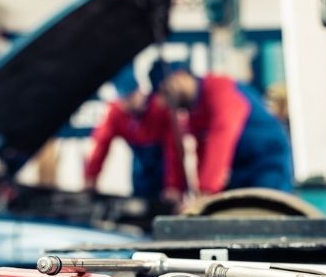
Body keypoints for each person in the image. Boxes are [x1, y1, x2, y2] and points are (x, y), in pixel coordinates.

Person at [155, 62, 293, 195]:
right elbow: (201, 151)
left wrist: (206, 191)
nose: (165, 102)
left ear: (180, 78)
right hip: (240, 168)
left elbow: (222, 132)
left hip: (267, 161)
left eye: (166, 92)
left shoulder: (219, 88)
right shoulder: (193, 111)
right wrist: (176, 188)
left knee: (265, 209)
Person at [84, 65, 184, 200]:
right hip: (140, 167)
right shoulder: (117, 113)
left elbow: (174, 149)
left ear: (139, 90)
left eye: (133, 95)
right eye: (125, 98)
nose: (129, 103)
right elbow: (101, 144)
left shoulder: (161, 109)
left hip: (164, 165)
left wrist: (174, 186)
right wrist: (91, 177)